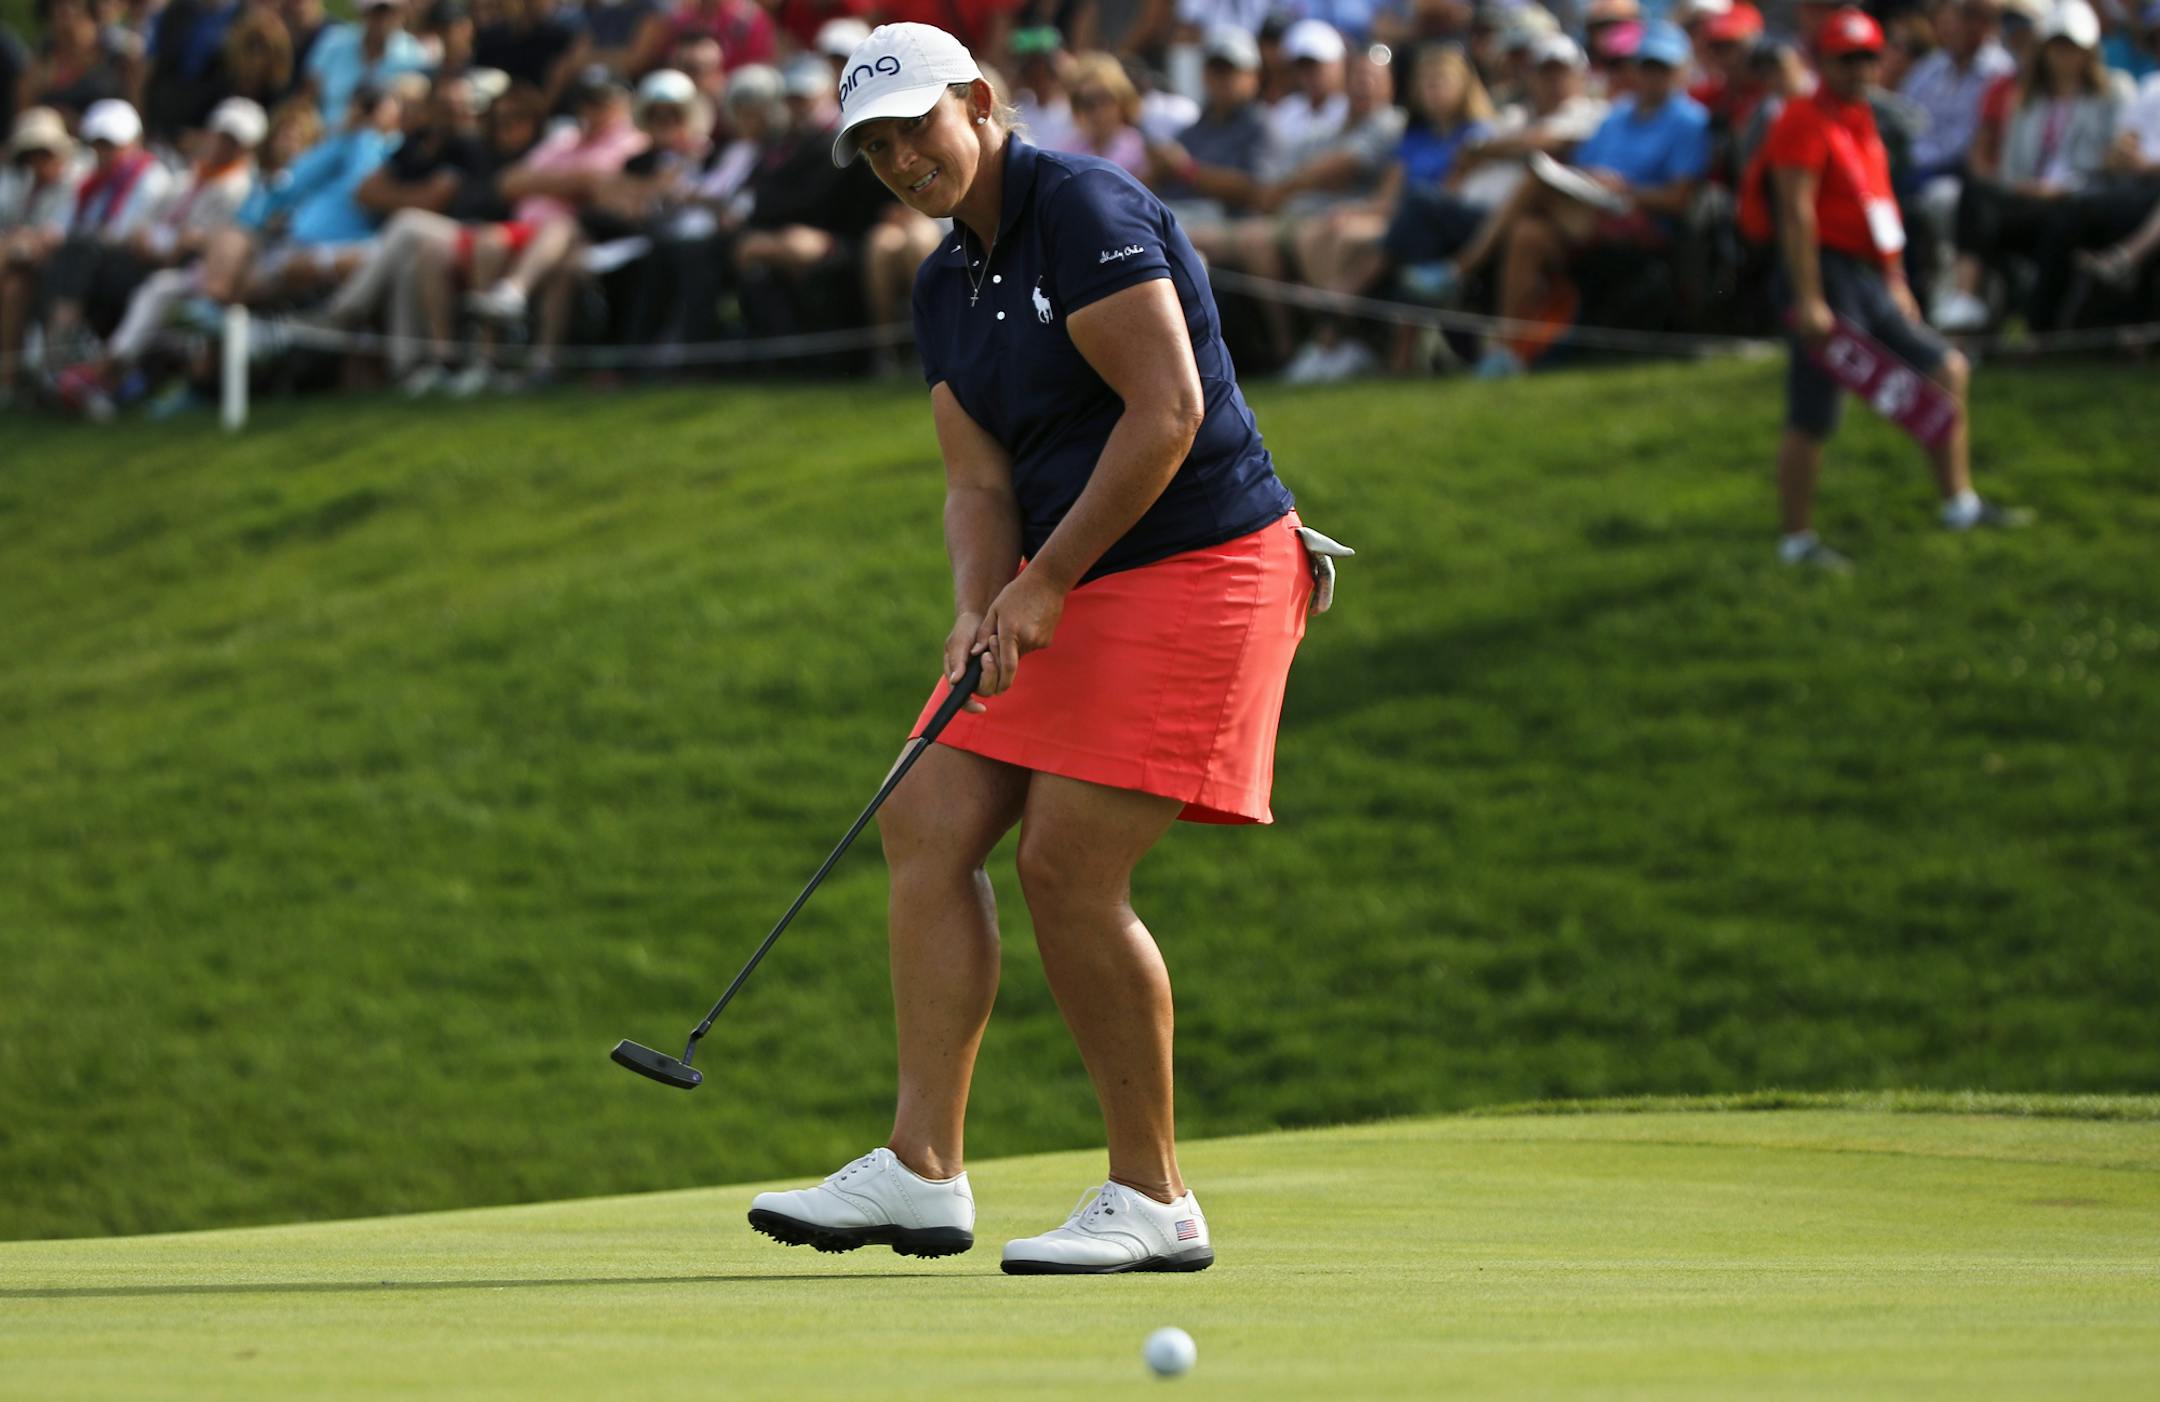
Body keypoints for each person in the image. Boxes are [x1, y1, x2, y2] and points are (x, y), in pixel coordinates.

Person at [746, 21, 1329, 1276]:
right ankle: (921, 1170)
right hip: (1060, 571)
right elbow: (976, 481)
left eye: (917, 130)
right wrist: (979, 602)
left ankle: (1154, 1196)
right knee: (928, 818)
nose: (903, 161)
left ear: (981, 101)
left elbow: (1167, 411)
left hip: (1201, 562)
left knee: (1069, 860)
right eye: (878, 149)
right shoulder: (940, 278)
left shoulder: (1086, 209)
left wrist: (1048, 580)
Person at [1739, 7, 2022, 570]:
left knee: (1947, 369)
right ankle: (1796, 541)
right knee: (1813, 413)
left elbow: (1877, 203)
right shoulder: (1802, 118)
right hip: (1824, 275)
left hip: (1869, 276)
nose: (1860, 68)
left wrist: (1895, 278)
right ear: (1824, 62)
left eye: (1868, 56)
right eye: (1847, 58)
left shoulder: (1862, 118)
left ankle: (1958, 503)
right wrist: (1811, 298)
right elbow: (1796, 214)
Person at [1934, 0, 2129, 330]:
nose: (2063, 55)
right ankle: (1963, 299)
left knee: (2061, 222)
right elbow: (2011, 168)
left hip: (2077, 202)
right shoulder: (2026, 100)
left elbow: (2111, 165)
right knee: (1975, 193)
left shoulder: (2112, 94)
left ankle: (2039, 326)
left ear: (2088, 52)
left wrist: (2061, 189)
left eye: (2071, 47)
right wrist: (2023, 187)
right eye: (2057, 46)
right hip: (2027, 198)